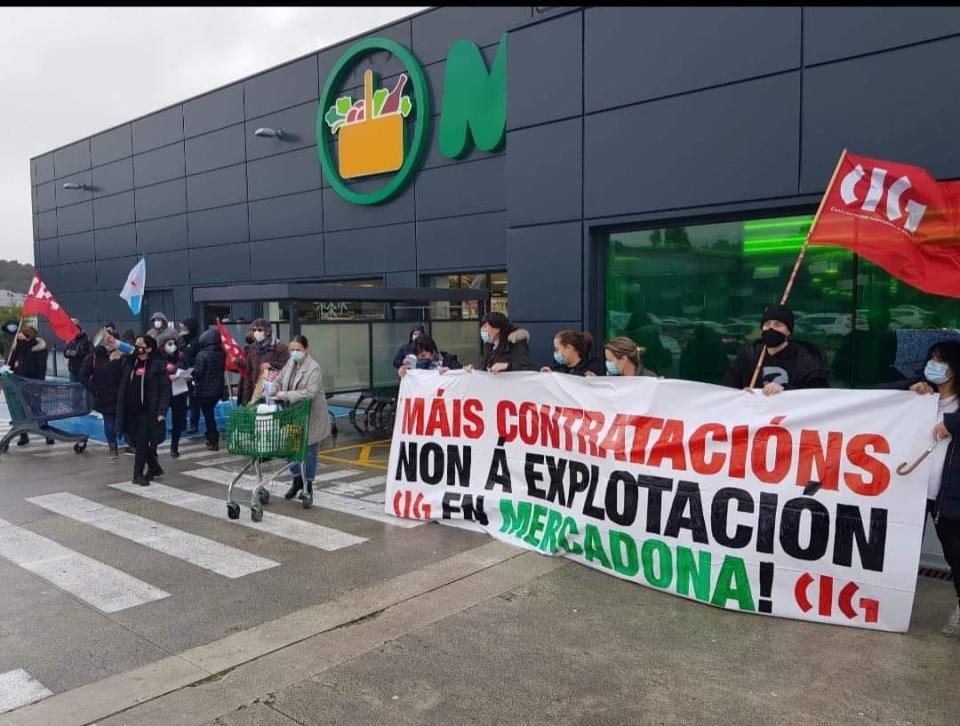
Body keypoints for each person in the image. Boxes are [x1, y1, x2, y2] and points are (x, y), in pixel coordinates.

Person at [887, 340, 960, 637]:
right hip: (912, 491)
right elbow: (877, 394)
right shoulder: (919, 394)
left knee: (956, 554)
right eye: (931, 358)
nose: (934, 364)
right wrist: (911, 386)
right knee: (895, 550)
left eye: (941, 360)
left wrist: (954, 423)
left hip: (948, 494)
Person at [272, 335, 331, 508]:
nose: (295, 353)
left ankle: (308, 486)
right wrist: (272, 389)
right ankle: (297, 480)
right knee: (290, 449)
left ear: (306, 350)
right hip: (292, 414)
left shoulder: (314, 368)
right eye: (292, 349)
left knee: (310, 451)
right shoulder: (290, 363)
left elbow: (311, 392)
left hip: (311, 415)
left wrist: (287, 395)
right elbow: (279, 379)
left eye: (298, 349)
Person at [721, 304, 829, 396]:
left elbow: (817, 393)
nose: (771, 328)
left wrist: (785, 390)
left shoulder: (806, 359)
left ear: (788, 331)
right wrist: (740, 394)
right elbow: (728, 386)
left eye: (778, 325)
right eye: (767, 324)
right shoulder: (750, 355)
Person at [116, 336, 170, 485]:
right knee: (133, 440)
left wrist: (161, 411)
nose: (137, 345)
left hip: (148, 411)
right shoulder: (130, 363)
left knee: (141, 442)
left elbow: (165, 390)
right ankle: (154, 467)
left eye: (141, 343)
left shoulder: (157, 365)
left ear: (149, 349)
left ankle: (137, 475)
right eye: (136, 343)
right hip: (130, 410)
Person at [79, 329, 124, 460]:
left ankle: (131, 443)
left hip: (121, 393)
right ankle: (113, 446)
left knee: (126, 420)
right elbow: (83, 376)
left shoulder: (121, 354)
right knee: (109, 421)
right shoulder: (93, 358)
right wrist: (95, 389)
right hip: (104, 395)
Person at [6, 325, 54, 446]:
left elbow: (41, 368)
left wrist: (39, 384)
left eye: (22, 337)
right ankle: (23, 435)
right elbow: (11, 364)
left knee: (37, 409)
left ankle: (47, 434)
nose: (19, 339)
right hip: (17, 384)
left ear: (28, 337)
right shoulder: (18, 348)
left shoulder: (38, 349)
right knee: (20, 410)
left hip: (32, 383)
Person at [239, 319, 289, 405]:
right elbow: (249, 373)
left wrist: (271, 365)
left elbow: (287, 369)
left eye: (260, 330)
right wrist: (246, 398)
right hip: (256, 393)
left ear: (268, 331)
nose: (256, 332)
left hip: (274, 394)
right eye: (254, 330)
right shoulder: (252, 348)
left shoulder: (280, 347)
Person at [191, 328, 226, 451]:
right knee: (209, 415)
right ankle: (211, 437)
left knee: (208, 416)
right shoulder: (222, 352)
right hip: (218, 389)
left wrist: (191, 373)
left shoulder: (202, 354)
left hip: (204, 390)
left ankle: (213, 440)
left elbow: (199, 373)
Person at [159, 329, 189, 458]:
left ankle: (174, 447)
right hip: (164, 392)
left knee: (178, 421)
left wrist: (185, 375)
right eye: (169, 344)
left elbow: (187, 368)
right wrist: (167, 376)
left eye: (173, 343)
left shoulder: (181, 356)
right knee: (160, 419)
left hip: (179, 391)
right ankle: (155, 445)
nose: (172, 346)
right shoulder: (158, 358)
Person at [540, 330, 605, 376]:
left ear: (569, 348)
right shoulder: (556, 369)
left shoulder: (592, 368)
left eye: (557, 349)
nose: (555, 353)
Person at [177, 317, 203, 435]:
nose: (182, 329)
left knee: (194, 400)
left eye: (184, 327)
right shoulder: (182, 341)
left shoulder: (196, 342)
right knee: (180, 400)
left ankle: (193, 424)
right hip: (182, 373)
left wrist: (192, 370)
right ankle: (181, 424)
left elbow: (198, 359)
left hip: (192, 374)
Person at [586, 336, 656, 378]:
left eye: (610, 360)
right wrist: (595, 383)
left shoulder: (649, 380)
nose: (607, 363)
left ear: (624, 359)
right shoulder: (616, 378)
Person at [397, 334, 462, 378]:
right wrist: (402, 372)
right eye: (418, 356)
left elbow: (461, 372)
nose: (420, 359)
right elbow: (404, 371)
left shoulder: (447, 358)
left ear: (432, 351)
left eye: (423, 355)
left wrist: (450, 372)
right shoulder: (413, 361)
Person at [63, 319, 92, 383]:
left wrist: (77, 353)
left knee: (82, 388)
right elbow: (65, 352)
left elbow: (90, 353)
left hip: (82, 369)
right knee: (73, 389)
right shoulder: (70, 338)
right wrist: (67, 353)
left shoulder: (86, 339)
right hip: (72, 369)